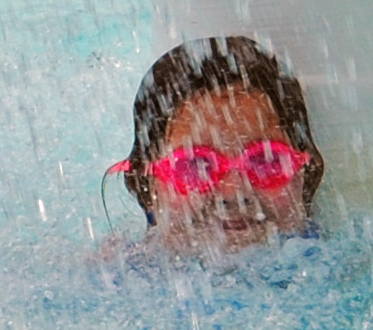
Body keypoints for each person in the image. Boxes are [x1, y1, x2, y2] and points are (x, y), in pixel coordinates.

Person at [107, 36, 324, 255]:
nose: (234, 193)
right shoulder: (111, 277)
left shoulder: (347, 267)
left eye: (265, 160)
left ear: (305, 173)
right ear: (147, 185)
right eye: (195, 166)